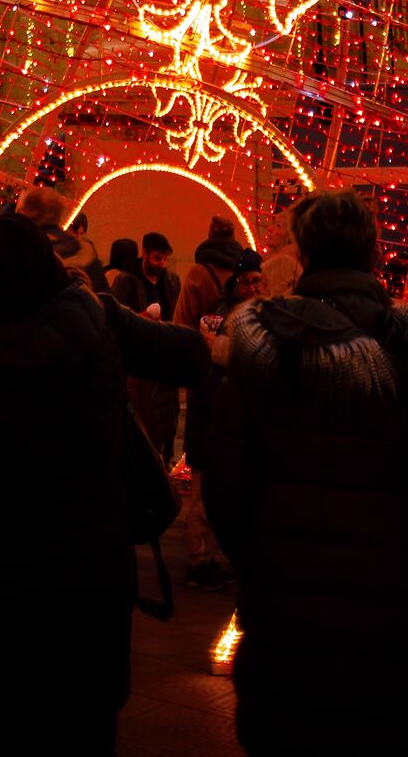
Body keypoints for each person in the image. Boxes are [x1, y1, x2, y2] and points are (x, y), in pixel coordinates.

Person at [202, 191, 408, 757]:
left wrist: (261, 568)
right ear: (375, 253)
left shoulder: (258, 346)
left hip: (288, 617)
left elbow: (225, 484)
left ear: (303, 254)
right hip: (400, 620)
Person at [0, 211, 208, 755]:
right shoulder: (95, 315)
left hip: (9, 562)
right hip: (92, 555)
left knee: (14, 722)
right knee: (84, 719)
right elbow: (188, 355)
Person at [181, 246, 261, 588]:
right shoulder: (229, 316)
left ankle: (209, 558)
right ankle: (199, 561)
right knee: (202, 497)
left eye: (257, 280)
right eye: (247, 282)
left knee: (215, 494)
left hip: (222, 419)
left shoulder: (245, 314)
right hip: (213, 418)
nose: (253, 287)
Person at [15, 184, 108, 291]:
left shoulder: (27, 248)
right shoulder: (85, 248)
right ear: (58, 214)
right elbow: (103, 294)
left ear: (29, 212)